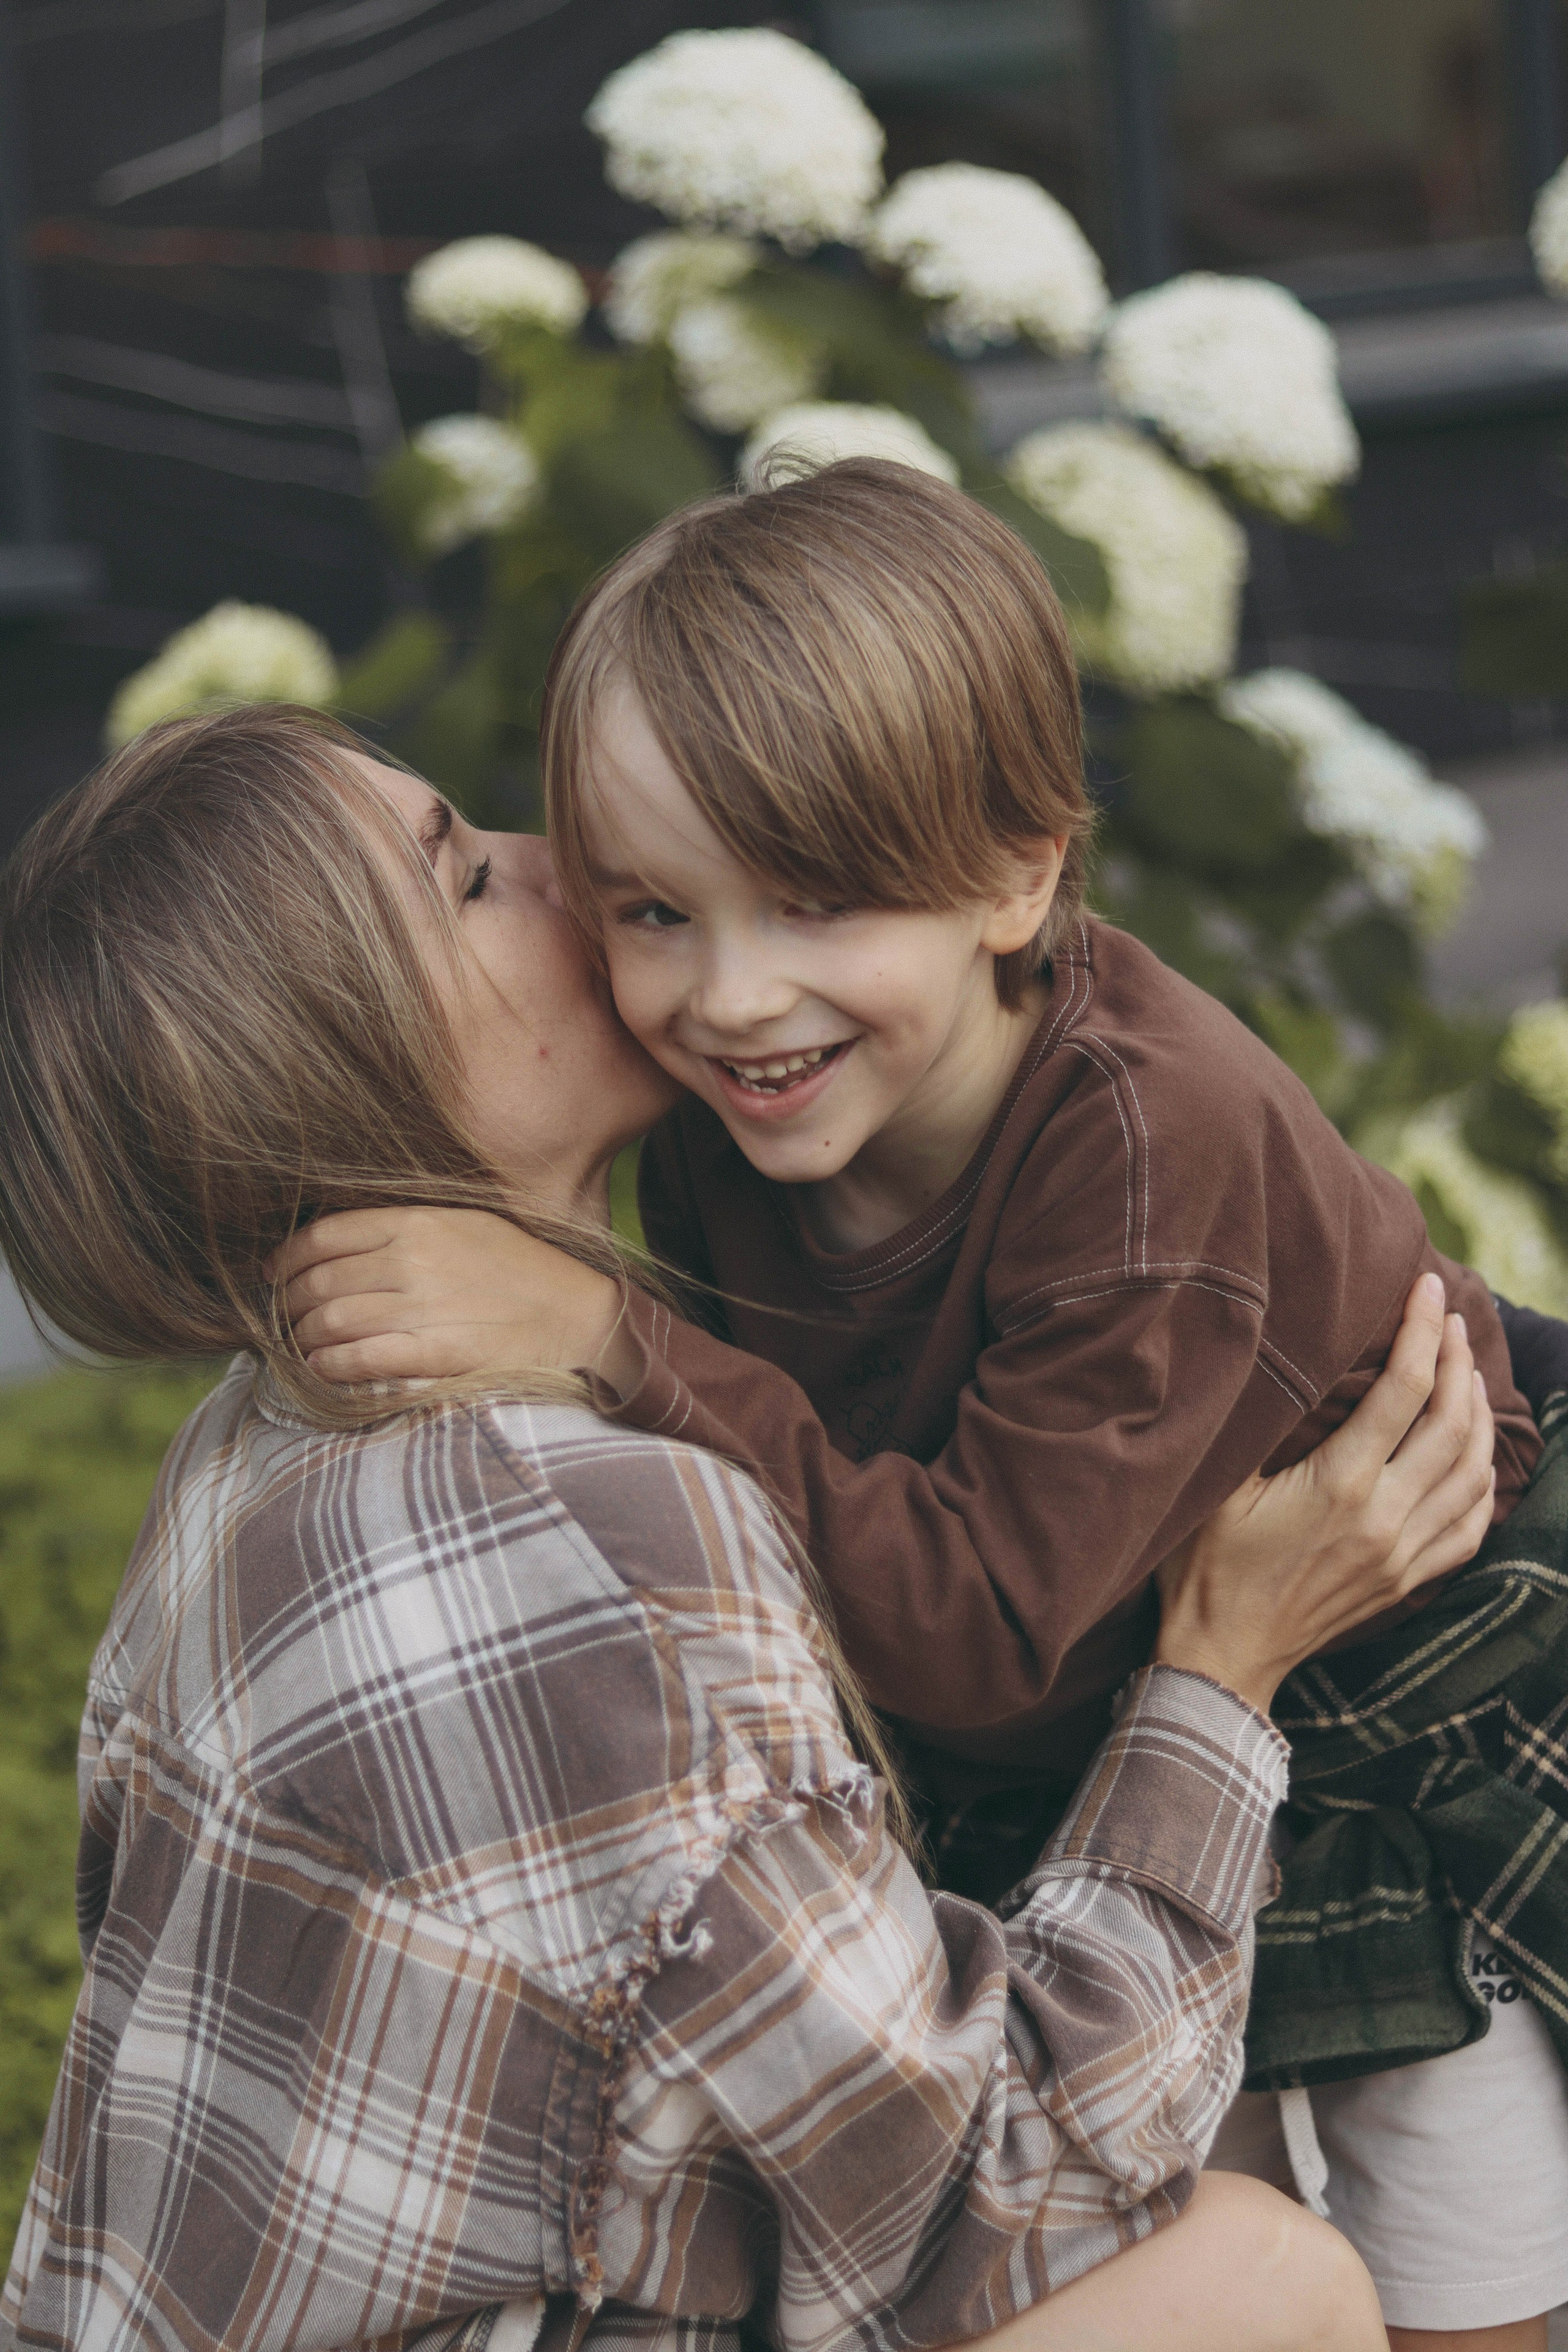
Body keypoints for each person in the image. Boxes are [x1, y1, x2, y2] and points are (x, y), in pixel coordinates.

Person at [0, 709, 1498, 2352]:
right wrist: (1221, 1673)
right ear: (334, 1069)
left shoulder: (254, 1438)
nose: (566, 867)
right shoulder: (594, 1556)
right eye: (469, 878)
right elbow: (1001, 2188)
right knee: (1254, 2284)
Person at [273, 461, 1568, 2351]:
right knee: (1185, 2216)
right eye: (655, 909)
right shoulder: (745, 1117)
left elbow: (977, 1636)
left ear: (1018, 873)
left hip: (1400, 1677)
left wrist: (614, 1336)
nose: (731, 997)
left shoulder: (1146, 1159)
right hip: (1130, 1710)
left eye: (818, 902)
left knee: (1457, 2227)